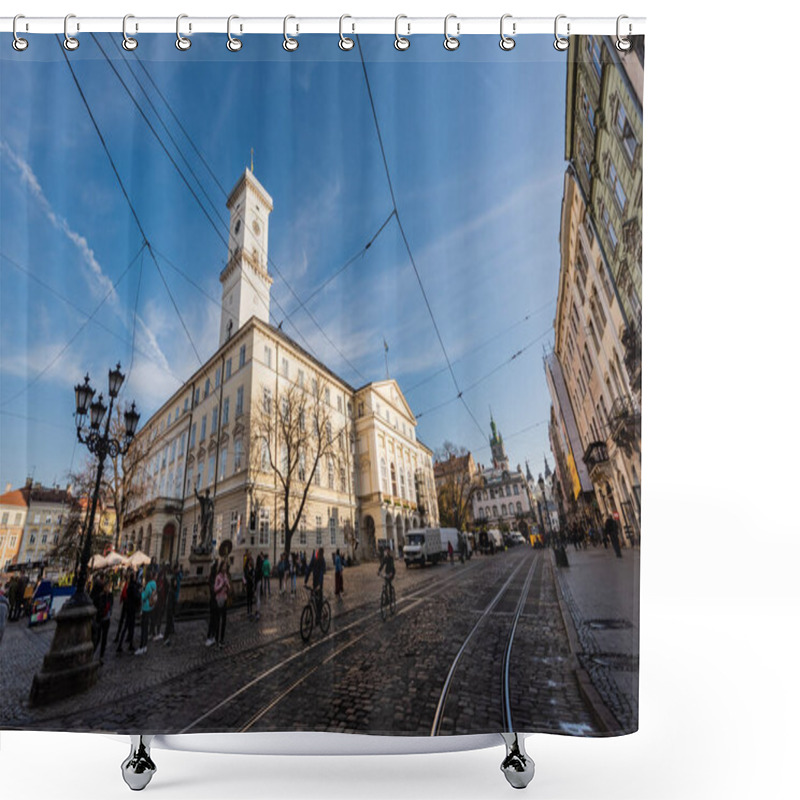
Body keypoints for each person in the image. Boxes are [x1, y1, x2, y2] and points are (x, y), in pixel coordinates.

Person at [136, 567, 157, 655]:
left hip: (146, 607)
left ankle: (142, 646)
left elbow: (144, 596)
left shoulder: (148, 585)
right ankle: (145, 646)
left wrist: (141, 592)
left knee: (143, 628)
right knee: (146, 627)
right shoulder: (154, 584)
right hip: (151, 607)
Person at [93, 574, 113, 664]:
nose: (109, 588)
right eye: (107, 587)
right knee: (97, 638)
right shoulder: (99, 597)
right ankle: (93, 654)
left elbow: (110, 605)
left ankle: (101, 656)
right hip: (100, 619)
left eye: (109, 587)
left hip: (106, 619)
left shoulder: (110, 596)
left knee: (104, 638)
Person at [213, 559, 231, 647]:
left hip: (224, 599)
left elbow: (229, 587)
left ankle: (222, 639)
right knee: (218, 621)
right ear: (221, 567)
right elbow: (215, 589)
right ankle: (216, 640)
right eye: (224, 566)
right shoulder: (218, 577)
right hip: (219, 599)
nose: (225, 567)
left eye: (226, 566)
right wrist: (221, 585)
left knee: (224, 620)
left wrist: (228, 587)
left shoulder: (225, 576)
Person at [305, 547, 326, 616]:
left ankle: (319, 616)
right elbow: (309, 569)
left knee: (319, 601)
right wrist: (306, 580)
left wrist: (319, 584)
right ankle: (317, 613)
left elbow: (321, 573)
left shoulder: (322, 560)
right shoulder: (315, 559)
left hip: (319, 582)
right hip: (315, 581)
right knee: (315, 598)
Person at [205, 558, 219, 647]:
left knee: (215, 619)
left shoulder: (213, 578)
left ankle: (213, 636)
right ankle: (211, 636)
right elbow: (213, 590)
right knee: (213, 619)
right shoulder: (213, 579)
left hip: (215, 601)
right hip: (214, 601)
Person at [244, 551, 255, 619]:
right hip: (248, 585)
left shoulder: (252, 568)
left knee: (251, 598)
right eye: (250, 561)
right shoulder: (246, 568)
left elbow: (253, 574)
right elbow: (245, 576)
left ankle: (251, 610)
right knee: (248, 598)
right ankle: (248, 610)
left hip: (251, 585)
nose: (250, 563)